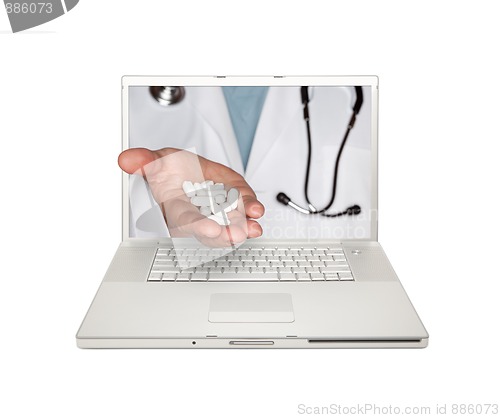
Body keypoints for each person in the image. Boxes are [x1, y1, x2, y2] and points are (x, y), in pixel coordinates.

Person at [120, 85, 372, 243]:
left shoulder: (369, 86)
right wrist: (156, 214)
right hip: (184, 306)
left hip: (324, 304)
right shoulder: (127, 85)